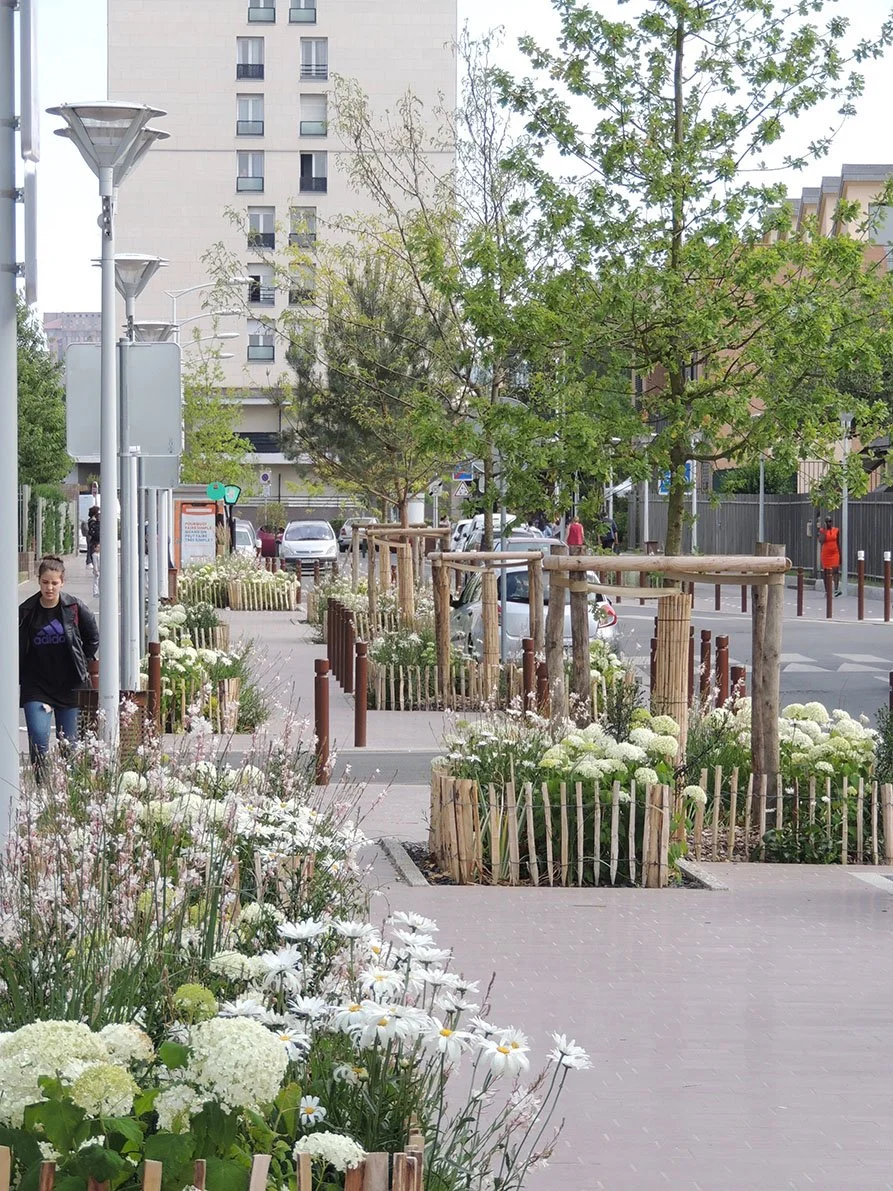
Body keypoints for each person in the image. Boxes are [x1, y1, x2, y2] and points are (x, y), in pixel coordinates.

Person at [19, 555, 99, 775]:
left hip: (69, 684)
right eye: (45, 582)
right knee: (38, 741)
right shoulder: (26, 611)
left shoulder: (74, 607)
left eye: (54, 583)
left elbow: (92, 637)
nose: (50, 587)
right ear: (39, 581)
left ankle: (69, 794)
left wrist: (81, 662)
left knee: (69, 746)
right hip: (36, 685)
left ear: (62, 582)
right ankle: (42, 787)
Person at [818, 515, 842, 596]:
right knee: (826, 572)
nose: (829, 523)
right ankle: (827, 591)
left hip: (835, 552)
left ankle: (836, 589)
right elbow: (821, 541)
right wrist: (824, 530)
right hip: (826, 554)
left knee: (835, 570)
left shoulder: (836, 530)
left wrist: (840, 555)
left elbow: (838, 542)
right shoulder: (822, 531)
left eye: (830, 521)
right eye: (827, 521)